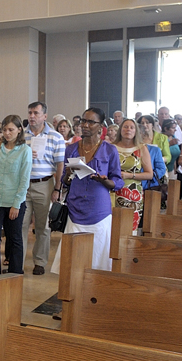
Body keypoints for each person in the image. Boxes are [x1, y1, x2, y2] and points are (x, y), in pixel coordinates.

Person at [51, 108, 123, 272]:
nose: (85, 125)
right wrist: (68, 174)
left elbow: (118, 181)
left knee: (98, 258)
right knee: (73, 260)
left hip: (98, 209)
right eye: (83, 121)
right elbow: (66, 181)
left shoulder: (109, 150)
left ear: (100, 126)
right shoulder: (71, 149)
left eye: (91, 122)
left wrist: (105, 181)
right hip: (76, 208)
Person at [22, 101, 65, 275]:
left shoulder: (55, 137)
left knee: (43, 226)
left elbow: (60, 164)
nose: (32, 116)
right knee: (20, 225)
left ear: (45, 116)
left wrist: (57, 188)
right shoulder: (22, 136)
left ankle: (39, 261)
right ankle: (17, 261)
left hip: (44, 184)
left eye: (36, 113)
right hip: (23, 185)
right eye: (30, 113)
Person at [0, 115, 32, 275]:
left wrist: (16, 204)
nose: (7, 133)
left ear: (19, 130)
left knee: (14, 239)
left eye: (11, 130)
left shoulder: (25, 150)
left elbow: (24, 179)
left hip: (14, 201)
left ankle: (15, 274)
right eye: (4, 130)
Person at [111, 119, 152, 234]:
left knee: (128, 229)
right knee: (112, 229)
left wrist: (130, 175)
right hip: (112, 191)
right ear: (120, 130)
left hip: (132, 193)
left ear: (136, 131)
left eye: (131, 127)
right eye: (125, 127)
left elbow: (149, 174)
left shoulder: (141, 148)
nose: (128, 130)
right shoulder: (111, 147)